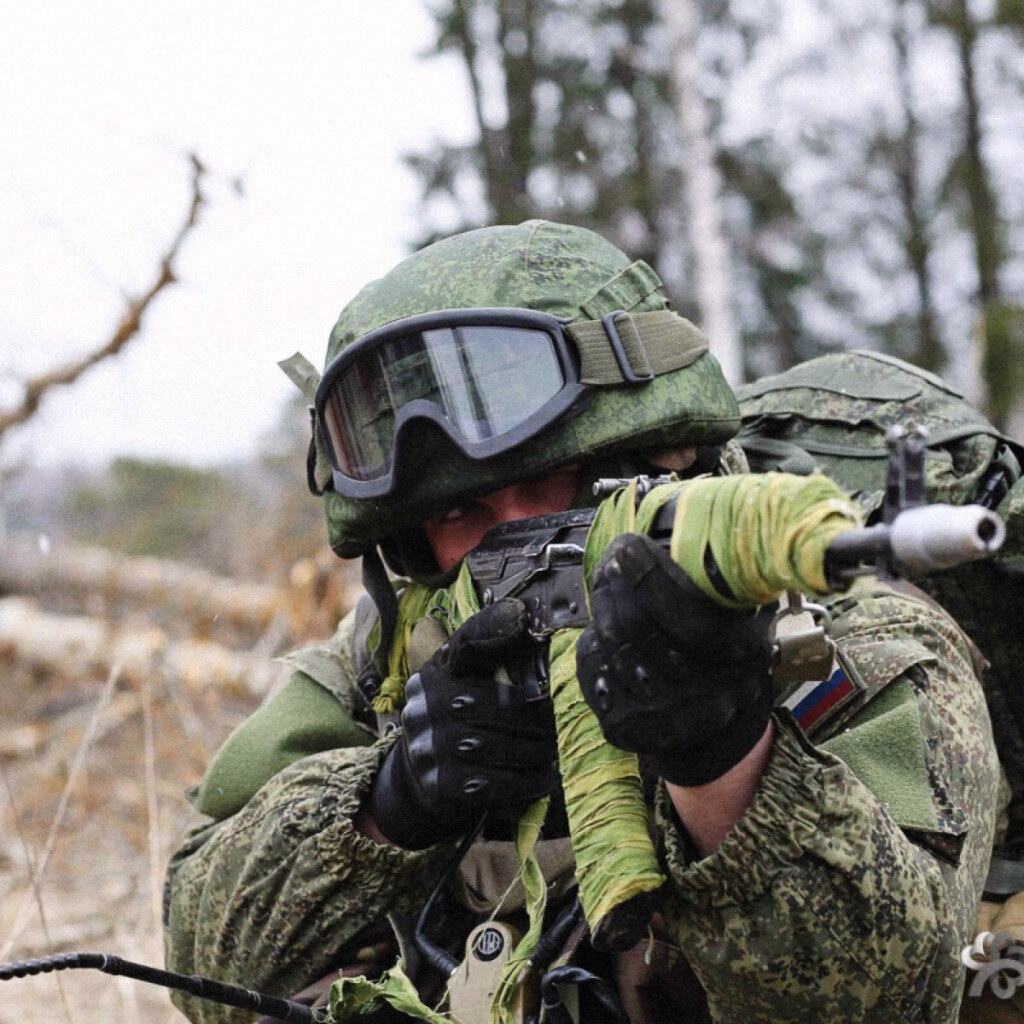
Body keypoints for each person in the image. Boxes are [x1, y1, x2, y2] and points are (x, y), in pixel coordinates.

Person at [163, 221, 1000, 1024]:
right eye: (461, 510)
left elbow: (898, 1001)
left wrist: (726, 765)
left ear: (666, 457)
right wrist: (393, 801)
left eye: (557, 483)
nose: (512, 534)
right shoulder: (392, 656)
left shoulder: (855, 634)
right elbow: (201, 965)